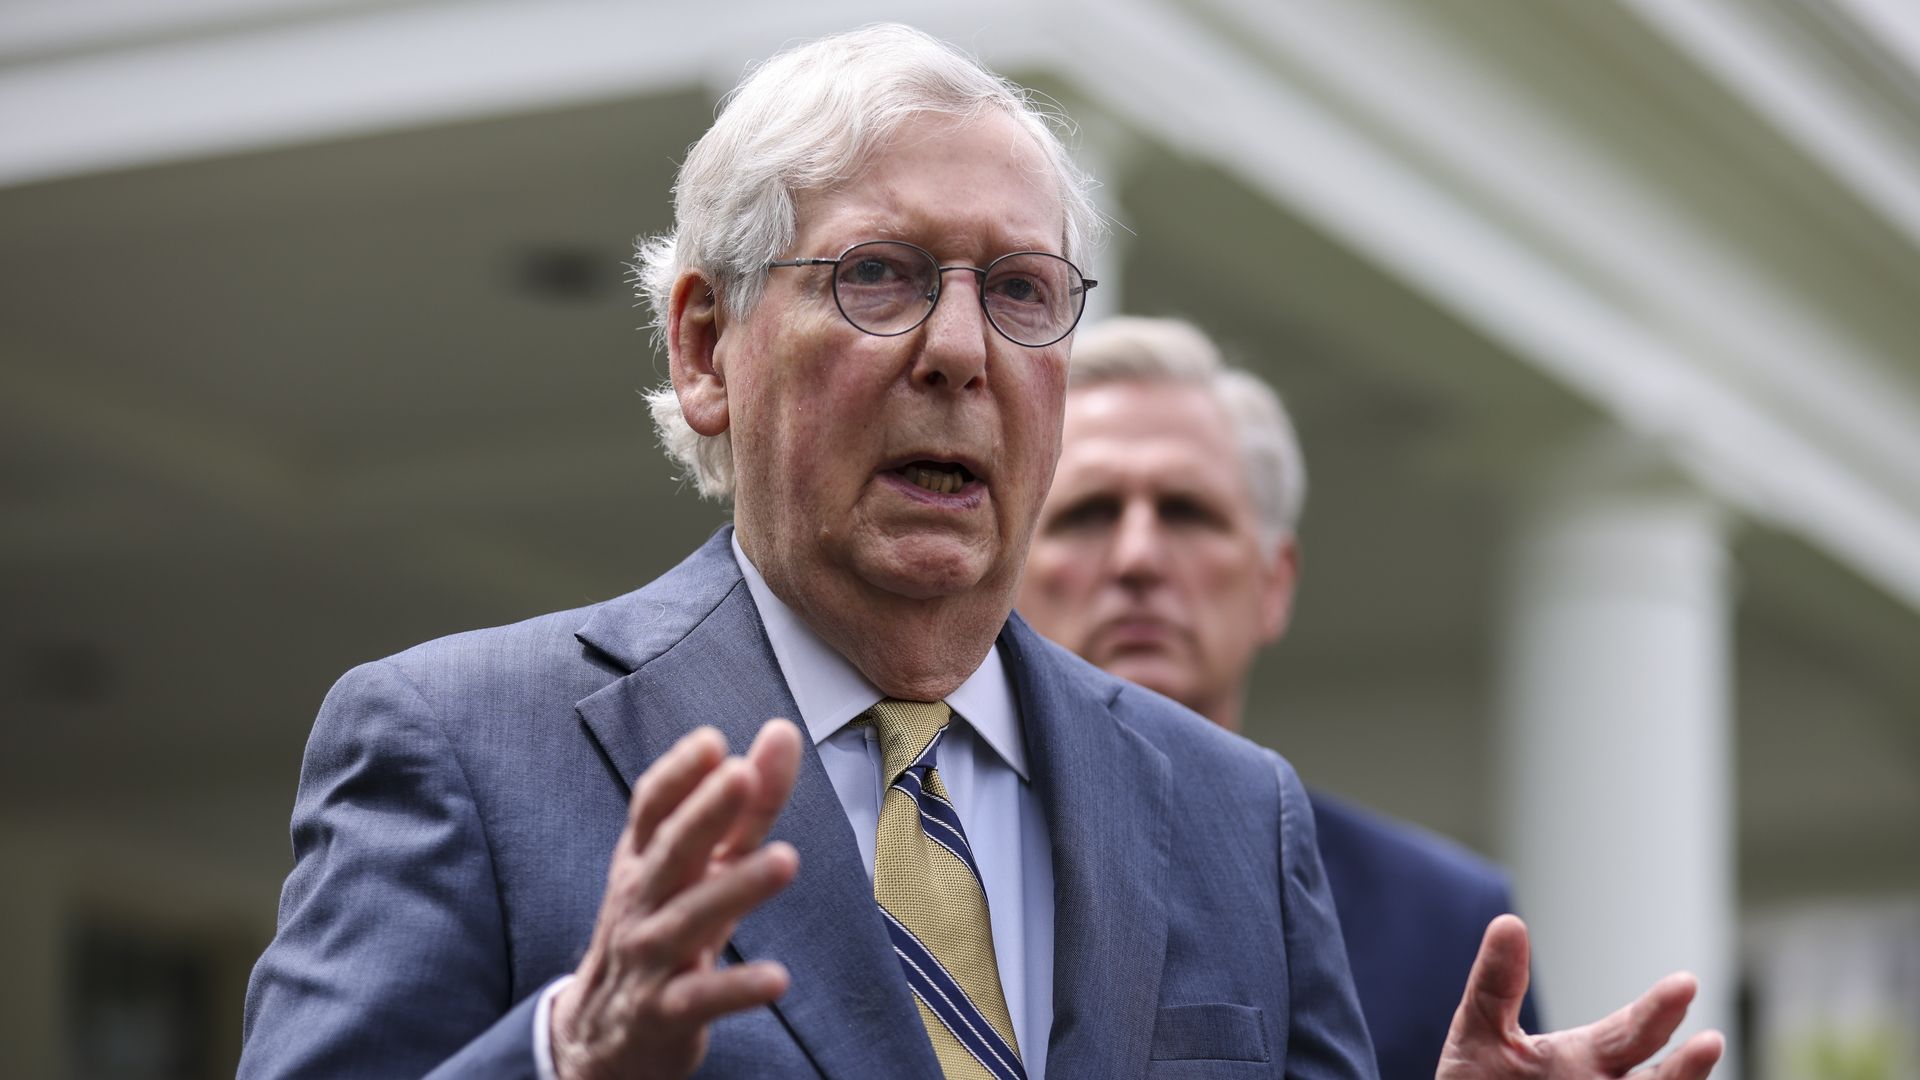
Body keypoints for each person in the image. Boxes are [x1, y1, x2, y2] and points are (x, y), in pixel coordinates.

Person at [239, 24, 1725, 1080]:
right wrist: (564, 1059)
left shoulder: (1234, 816)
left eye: (1021, 291)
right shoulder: (461, 746)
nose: (959, 350)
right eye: (881, 275)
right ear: (706, 347)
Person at [1016, 316, 1541, 1080]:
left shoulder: (1441, 922)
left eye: (1187, 512)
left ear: (1275, 582)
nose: (1136, 557)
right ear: (1009, 572)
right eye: (1087, 513)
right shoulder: (928, 845)